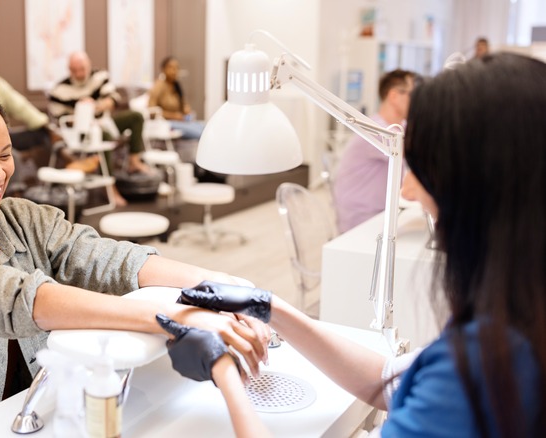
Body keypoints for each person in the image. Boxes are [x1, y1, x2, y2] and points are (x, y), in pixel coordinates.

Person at [0, 41, 270, 437]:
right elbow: (14, 297)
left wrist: (209, 282)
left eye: (4, 155)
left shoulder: (21, 219)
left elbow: (104, 258)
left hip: (9, 416)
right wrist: (171, 316)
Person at [159, 52, 545, 437]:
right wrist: (267, 306)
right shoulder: (518, 322)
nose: (417, 195)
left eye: (424, 176)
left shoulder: (482, 369)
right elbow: (387, 382)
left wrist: (225, 374)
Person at [333, 69, 415, 233]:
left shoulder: (399, 127)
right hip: (361, 218)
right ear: (393, 95)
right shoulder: (375, 130)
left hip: (382, 212)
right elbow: (418, 153)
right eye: (412, 95)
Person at [48, 51, 150, 175]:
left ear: (89, 65)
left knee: (136, 116)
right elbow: (60, 120)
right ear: (69, 69)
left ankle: (134, 161)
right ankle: (109, 185)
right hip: (80, 131)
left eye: (82, 69)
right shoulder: (59, 90)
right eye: (75, 70)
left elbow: (113, 99)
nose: (80, 73)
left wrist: (95, 106)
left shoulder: (100, 77)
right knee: (102, 135)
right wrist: (82, 115)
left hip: (104, 121)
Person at [149, 56, 205, 139]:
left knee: (205, 128)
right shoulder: (159, 86)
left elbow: (184, 105)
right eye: (171, 68)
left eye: (177, 68)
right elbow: (151, 111)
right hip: (166, 123)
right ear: (163, 69)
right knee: (200, 134)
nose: (174, 71)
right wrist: (173, 116)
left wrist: (186, 110)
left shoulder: (176, 86)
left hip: (181, 121)